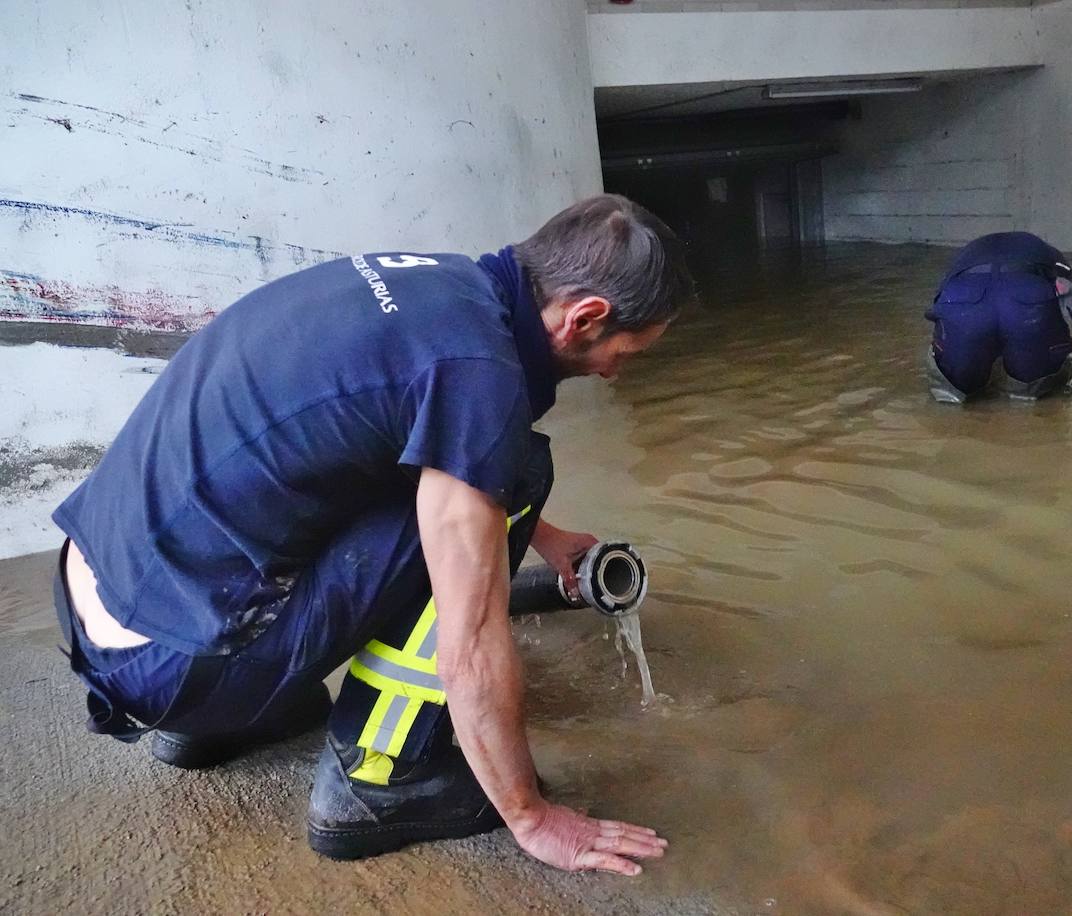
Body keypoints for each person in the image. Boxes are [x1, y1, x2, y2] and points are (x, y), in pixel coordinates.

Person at [50, 194, 695, 874]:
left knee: (459, 473)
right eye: (629, 350)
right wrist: (531, 816)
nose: (617, 371)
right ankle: (383, 776)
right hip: (166, 667)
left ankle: (211, 725)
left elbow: (377, 433)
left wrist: (548, 538)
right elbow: (469, 641)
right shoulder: (478, 377)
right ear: (585, 316)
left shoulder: (437, 286)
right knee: (516, 473)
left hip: (108, 605)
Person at [923, 231, 1072, 403]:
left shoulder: (963, 255)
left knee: (949, 391)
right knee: (1031, 390)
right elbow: (1065, 279)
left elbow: (939, 299)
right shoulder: (1047, 252)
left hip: (963, 300)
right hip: (1025, 302)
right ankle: (1026, 391)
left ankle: (953, 394)